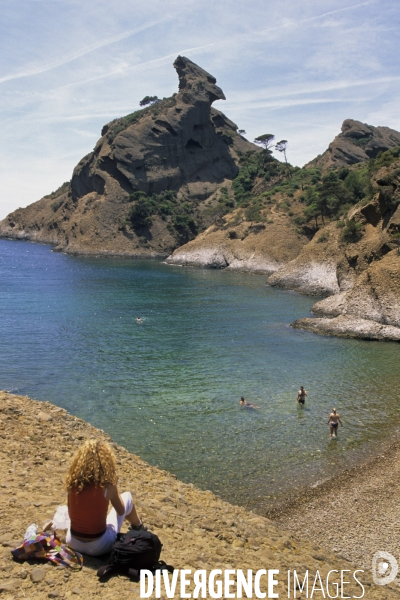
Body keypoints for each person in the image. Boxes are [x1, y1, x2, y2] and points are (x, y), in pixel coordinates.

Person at [65, 439, 144, 556]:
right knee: (127, 496)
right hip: (98, 546)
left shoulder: (73, 483)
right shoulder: (107, 485)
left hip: (73, 542)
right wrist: (114, 486)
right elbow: (121, 511)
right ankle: (138, 526)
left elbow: (70, 510)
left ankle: (138, 526)